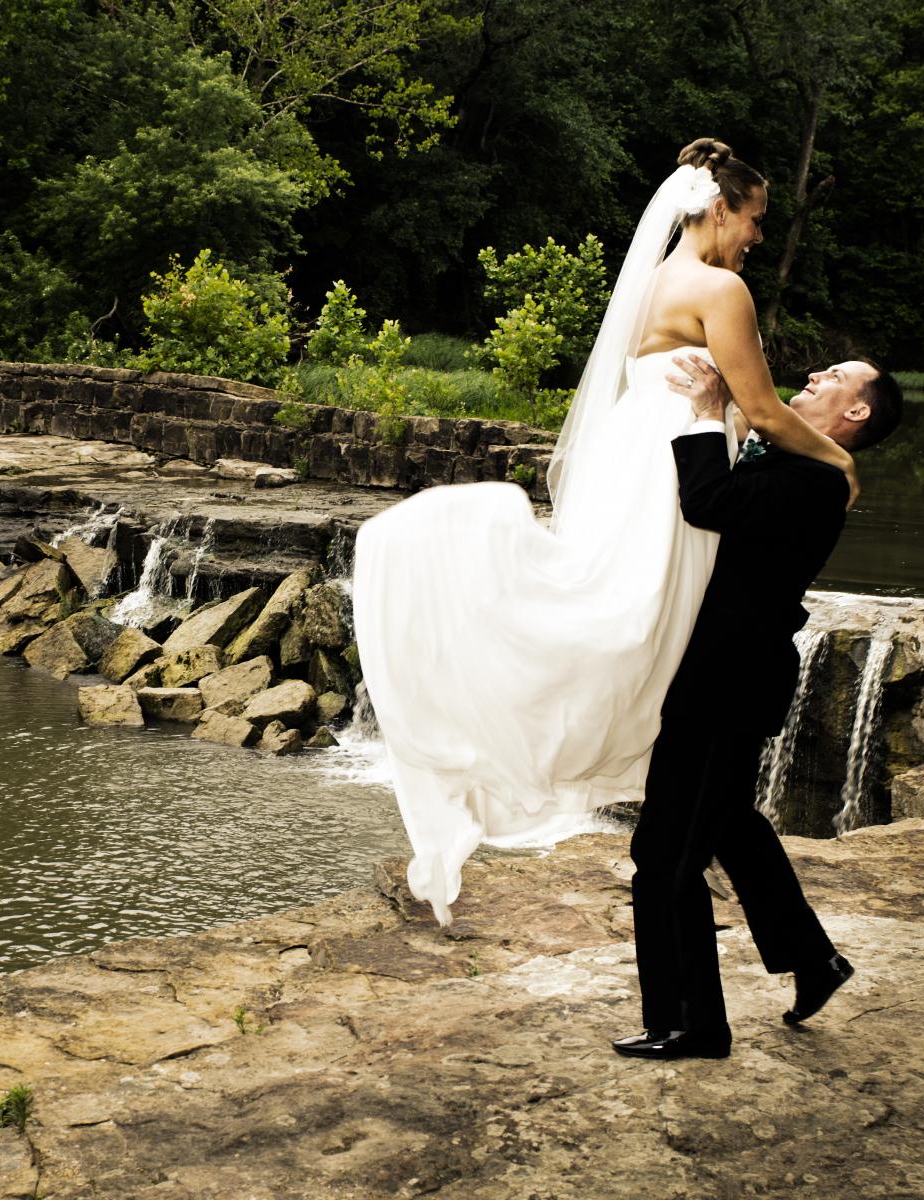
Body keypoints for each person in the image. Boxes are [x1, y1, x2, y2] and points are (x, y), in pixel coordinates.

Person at [352, 138, 855, 925]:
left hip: (635, 452)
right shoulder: (721, 289)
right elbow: (761, 410)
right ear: (719, 208)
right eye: (755, 218)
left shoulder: (655, 278)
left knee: (615, 609)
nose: (757, 236)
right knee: (628, 621)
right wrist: (837, 463)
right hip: (672, 463)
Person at [613, 354, 904, 1060]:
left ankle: (691, 1024)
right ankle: (812, 958)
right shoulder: (788, 458)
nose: (812, 374)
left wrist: (710, 413)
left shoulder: (817, 478)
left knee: (664, 854)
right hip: (718, 675)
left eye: (832, 375)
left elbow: (707, 503)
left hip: (727, 682)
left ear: (855, 411)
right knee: (727, 825)